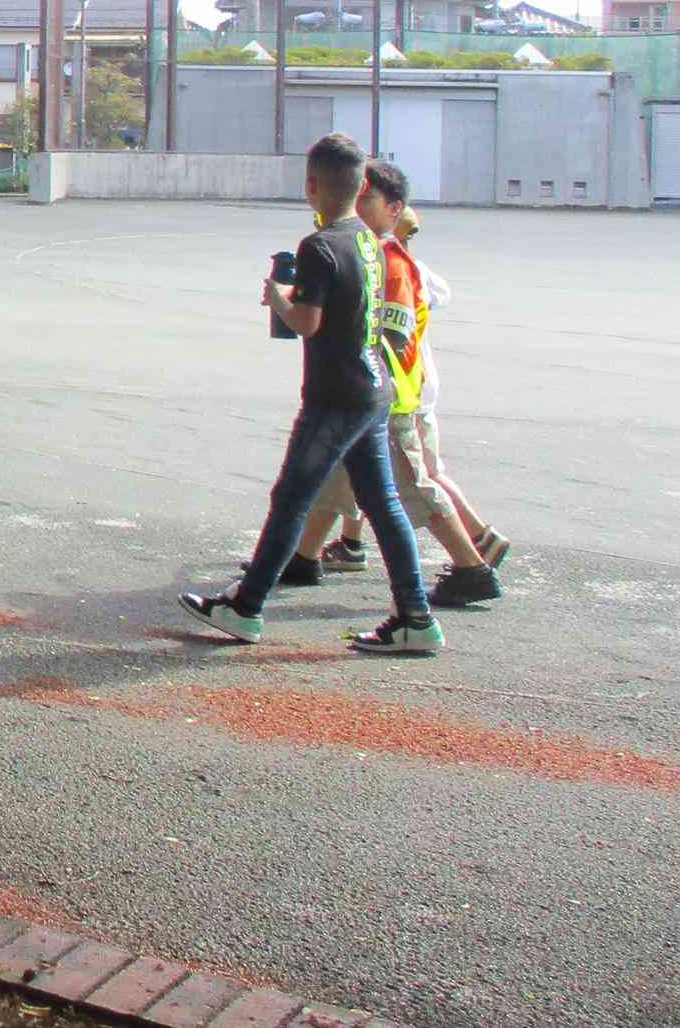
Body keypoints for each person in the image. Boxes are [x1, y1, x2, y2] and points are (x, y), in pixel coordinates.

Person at [180, 133, 444, 655]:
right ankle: (415, 617)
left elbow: (307, 322)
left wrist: (279, 298)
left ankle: (246, 607)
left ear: (311, 186)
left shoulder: (319, 246)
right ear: (362, 186)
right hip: (373, 388)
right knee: (382, 503)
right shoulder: (369, 240)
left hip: (335, 395)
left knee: (292, 498)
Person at [277, 167, 500, 607]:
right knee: (335, 475)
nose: (355, 207)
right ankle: (303, 558)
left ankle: (471, 568)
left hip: (387, 397)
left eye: (367, 200)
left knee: (412, 486)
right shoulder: (364, 251)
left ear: (394, 209)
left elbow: (391, 338)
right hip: (360, 392)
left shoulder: (391, 263)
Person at [316, 203, 511, 584]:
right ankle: (342, 545)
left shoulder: (391, 265)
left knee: (418, 478)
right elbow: (441, 293)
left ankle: (476, 547)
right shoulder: (410, 266)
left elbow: (386, 334)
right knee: (358, 471)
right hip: (411, 388)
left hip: (401, 394)